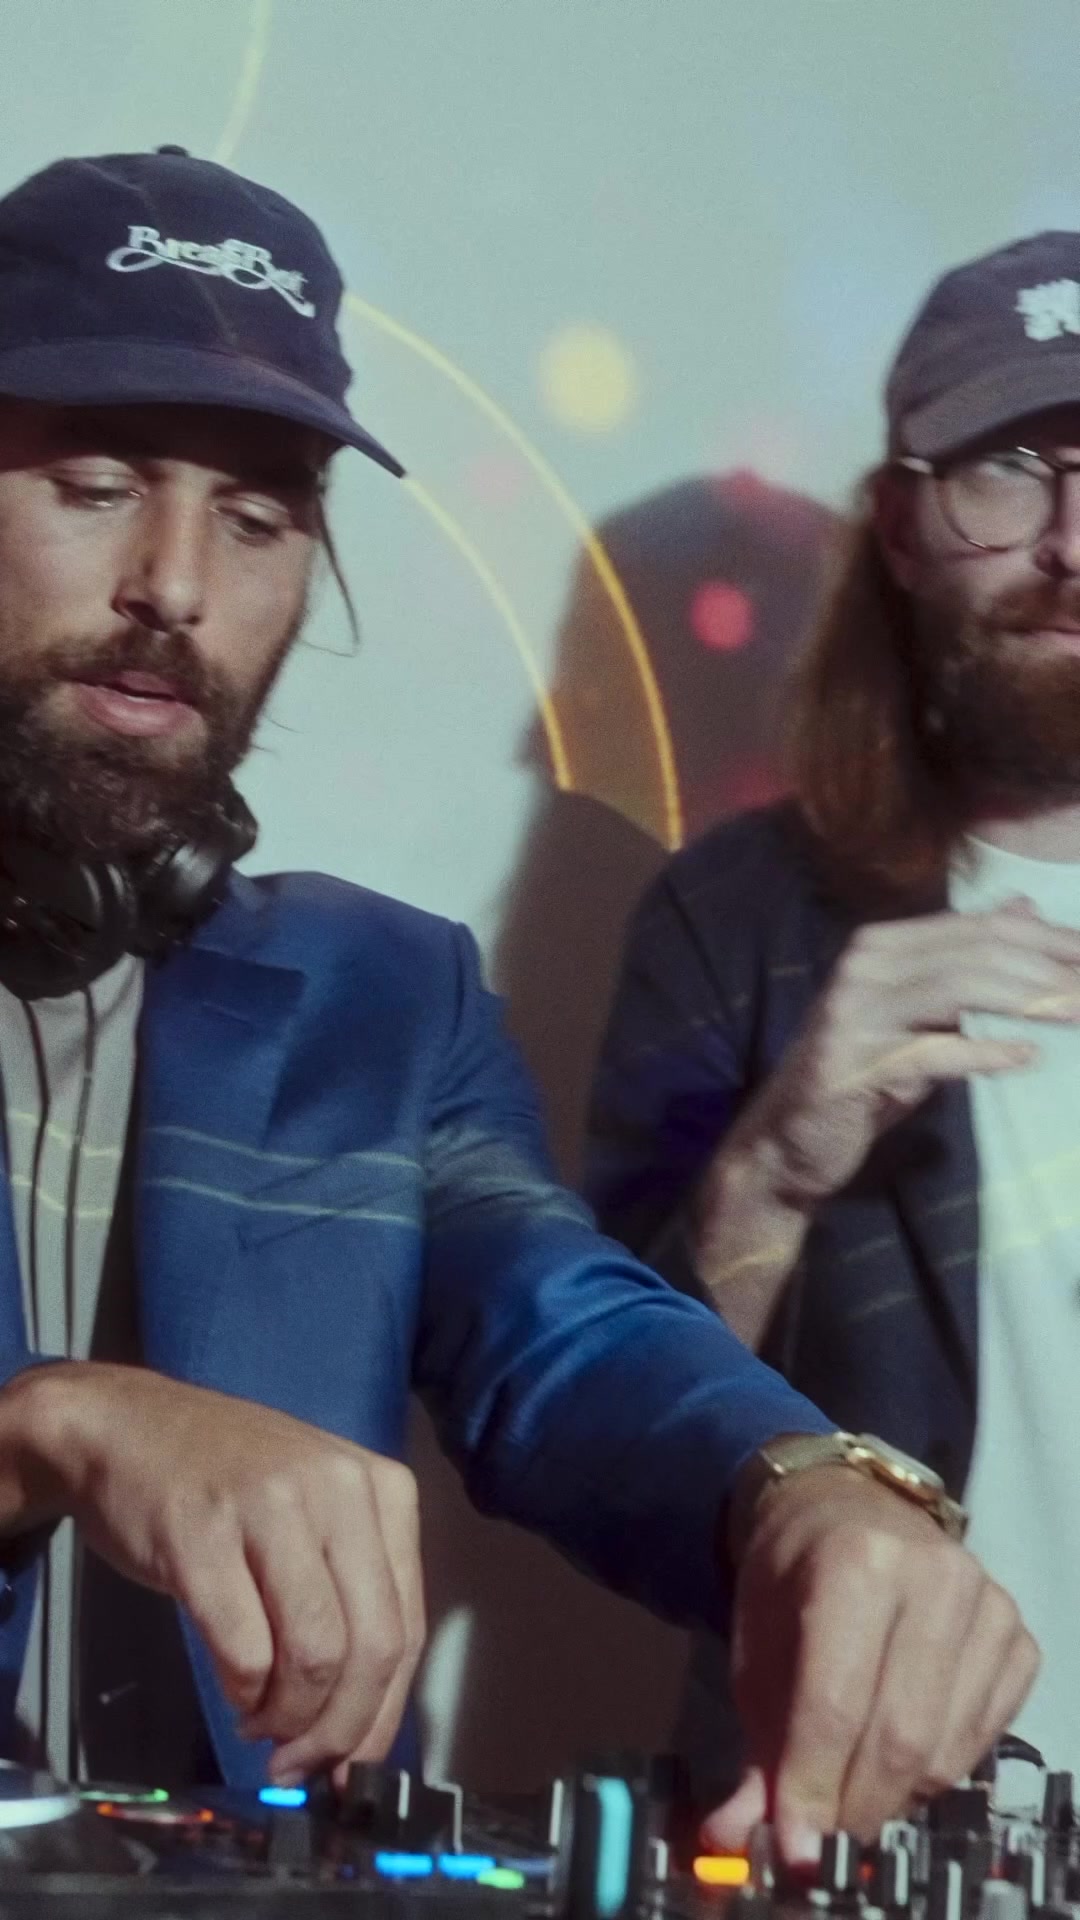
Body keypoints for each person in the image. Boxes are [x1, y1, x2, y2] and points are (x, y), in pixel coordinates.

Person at [0, 149, 1034, 1861]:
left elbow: (573, 1332)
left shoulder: (381, 999)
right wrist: (46, 1429)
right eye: (98, 483)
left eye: (259, 520)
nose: (175, 583)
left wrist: (809, 1491)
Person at [587, 230, 1080, 1808]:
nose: (1073, 543)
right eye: (1012, 471)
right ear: (903, 526)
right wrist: (775, 1169)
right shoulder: (737, 921)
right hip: (857, 1832)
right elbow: (595, 1433)